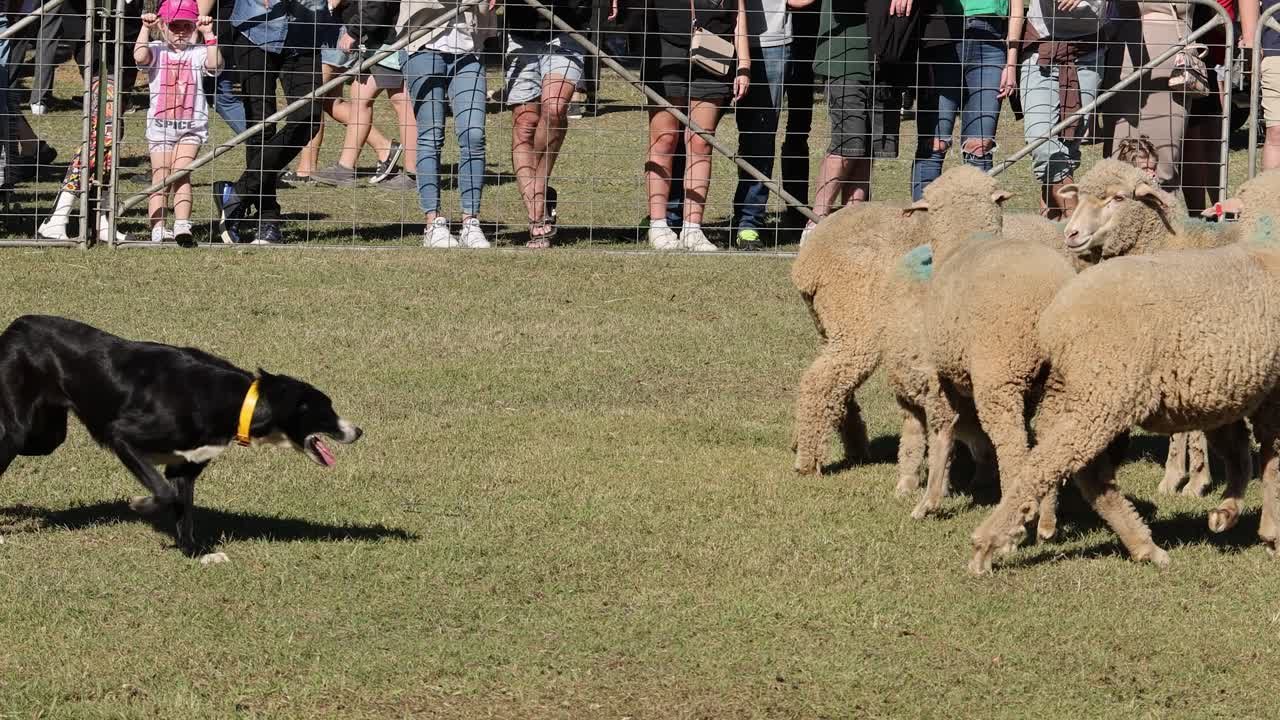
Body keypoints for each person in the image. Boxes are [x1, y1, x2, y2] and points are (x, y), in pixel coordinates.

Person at [211, 0, 335, 244]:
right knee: (260, 127)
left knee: (308, 119)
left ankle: (237, 193)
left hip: (305, 35)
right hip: (254, 30)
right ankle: (267, 220)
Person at [642, 0, 750, 252]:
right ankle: (658, 224)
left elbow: (739, 13)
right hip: (666, 50)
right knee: (664, 139)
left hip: (714, 48)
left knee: (701, 142)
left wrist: (744, 64)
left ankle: (693, 229)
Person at [794, 0, 900, 244]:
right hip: (845, 58)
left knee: (868, 149)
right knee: (848, 142)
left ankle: (853, 226)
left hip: (886, 58)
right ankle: (816, 222)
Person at [394, 0, 496, 247]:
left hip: (469, 50)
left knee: (473, 135)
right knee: (431, 135)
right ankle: (433, 223)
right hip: (423, 45)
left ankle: (471, 222)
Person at [502, 0, 596, 248]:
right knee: (524, 123)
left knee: (554, 108)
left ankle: (538, 191)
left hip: (567, 28)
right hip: (521, 32)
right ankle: (537, 215)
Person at [910, 0, 1022, 200]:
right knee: (934, 145)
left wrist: (1011, 64)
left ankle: (977, 218)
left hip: (990, 42)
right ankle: (923, 216)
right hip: (941, 37)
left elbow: (1017, 9)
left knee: (980, 147)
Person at [134, 0, 222, 246]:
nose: (181, 31)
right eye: (175, 26)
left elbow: (215, 65)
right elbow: (139, 57)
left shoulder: (199, 52)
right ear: (163, 26)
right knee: (161, 176)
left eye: (187, 26)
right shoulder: (156, 49)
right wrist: (145, 28)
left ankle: (183, 225)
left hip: (191, 128)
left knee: (182, 174)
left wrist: (209, 35)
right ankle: (159, 227)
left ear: (194, 27)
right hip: (160, 128)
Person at [1017, 0, 1108, 219]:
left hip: (1089, 52)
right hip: (1042, 51)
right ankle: (1076, 220)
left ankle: (1053, 231)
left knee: (1068, 149)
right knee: (1042, 142)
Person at [730, 0, 791, 251]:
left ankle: (749, 221)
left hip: (768, 44)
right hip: (712, 36)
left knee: (760, 140)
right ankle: (675, 217)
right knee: (692, 133)